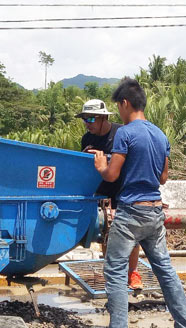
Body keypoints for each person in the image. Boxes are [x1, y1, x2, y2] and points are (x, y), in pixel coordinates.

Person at [87, 79, 186, 328]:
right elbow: (163, 177)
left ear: (125, 104)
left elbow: (111, 175)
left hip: (131, 211)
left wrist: (101, 165)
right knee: (165, 271)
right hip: (155, 211)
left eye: (118, 107)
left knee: (114, 272)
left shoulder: (125, 133)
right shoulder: (160, 135)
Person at [75, 99, 143, 289]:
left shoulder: (121, 134)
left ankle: (133, 273)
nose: (87, 123)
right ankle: (111, 272)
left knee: (132, 235)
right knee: (105, 233)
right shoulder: (86, 138)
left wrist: (107, 158)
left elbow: (131, 161)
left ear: (103, 118)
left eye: (90, 119)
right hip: (101, 192)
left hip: (123, 191)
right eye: (84, 119)